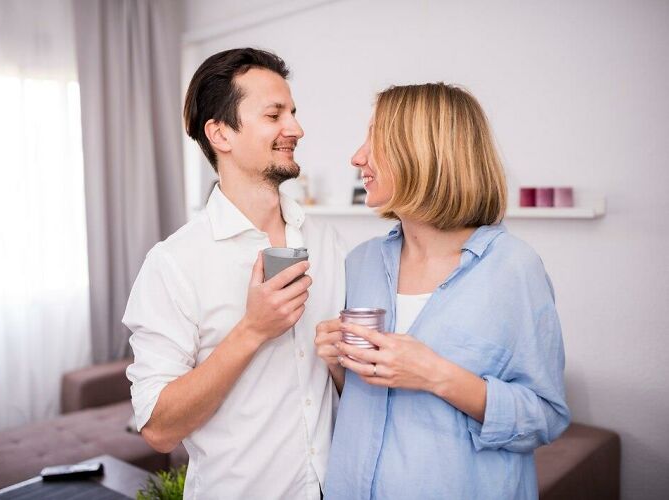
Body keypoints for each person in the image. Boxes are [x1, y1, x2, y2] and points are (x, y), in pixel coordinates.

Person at [315, 83, 570, 499]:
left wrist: (435, 375)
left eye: (375, 140)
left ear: (423, 152)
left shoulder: (513, 269)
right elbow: (363, 404)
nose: (357, 157)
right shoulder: (359, 264)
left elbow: (545, 416)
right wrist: (339, 366)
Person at [123, 48, 345, 499]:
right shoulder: (174, 263)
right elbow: (159, 430)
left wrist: (344, 361)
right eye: (274, 114)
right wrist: (251, 331)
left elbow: (341, 385)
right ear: (220, 133)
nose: (296, 129)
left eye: (294, 113)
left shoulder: (327, 242)